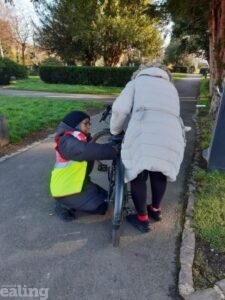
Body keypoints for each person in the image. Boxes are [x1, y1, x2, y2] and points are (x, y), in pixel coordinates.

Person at [110, 63, 188, 233]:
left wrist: (115, 131)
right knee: (159, 171)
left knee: (138, 173)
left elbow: (120, 109)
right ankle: (155, 210)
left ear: (140, 72)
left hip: (144, 130)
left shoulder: (136, 83)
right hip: (171, 133)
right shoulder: (171, 88)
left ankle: (142, 219)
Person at [50, 110, 118, 221]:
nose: (88, 127)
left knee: (108, 198)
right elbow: (84, 151)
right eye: (85, 124)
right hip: (65, 190)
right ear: (75, 125)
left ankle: (75, 201)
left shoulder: (81, 138)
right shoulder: (66, 141)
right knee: (102, 207)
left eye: (89, 124)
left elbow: (93, 150)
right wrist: (113, 150)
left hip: (80, 184)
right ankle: (62, 204)